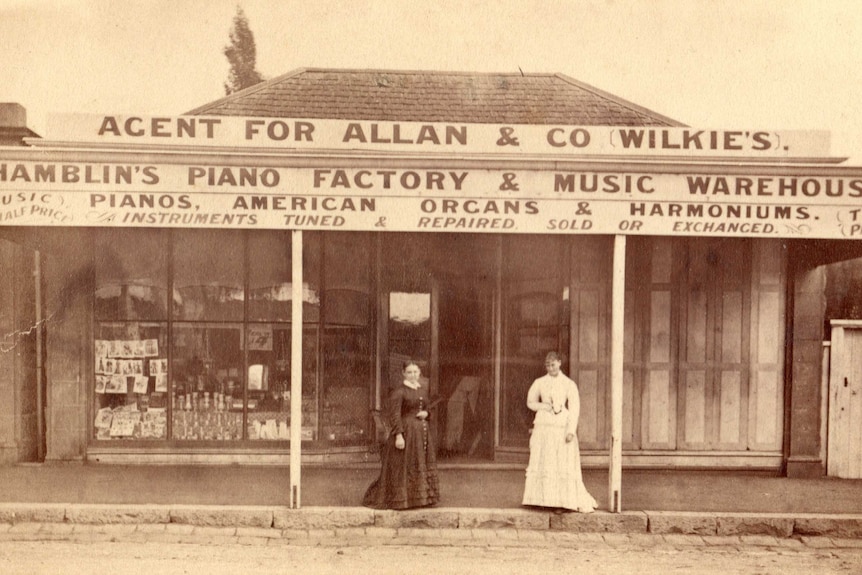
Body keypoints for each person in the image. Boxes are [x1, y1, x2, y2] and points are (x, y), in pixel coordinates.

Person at [522, 351, 596, 513]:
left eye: (553, 364)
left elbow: (575, 408)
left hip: (561, 427)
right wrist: (544, 406)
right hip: (544, 427)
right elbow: (530, 402)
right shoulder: (539, 382)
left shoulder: (569, 384)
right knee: (544, 460)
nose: (550, 368)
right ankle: (540, 499)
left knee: (560, 462)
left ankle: (562, 502)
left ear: (560, 363)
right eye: (547, 365)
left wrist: (571, 430)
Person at [363, 360, 439, 509]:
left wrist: (426, 413)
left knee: (419, 463)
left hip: (421, 435)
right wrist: (399, 435)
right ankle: (403, 500)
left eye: (415, 372)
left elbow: (428, 408)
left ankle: (420, 499)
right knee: (404, 466)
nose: (413, 375)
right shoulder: (399, 392)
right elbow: (395, 415)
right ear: (403, 373)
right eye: (409, 372)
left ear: (419, 373)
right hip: (407, 433)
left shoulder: (422, 390)